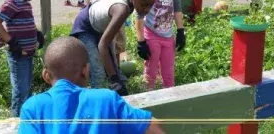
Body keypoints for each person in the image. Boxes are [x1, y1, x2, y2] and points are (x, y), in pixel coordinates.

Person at [18, 36, 165, 134]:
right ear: (86, 70)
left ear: (46, 76)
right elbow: (155, 128)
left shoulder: (33, 108)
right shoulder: (106, 99)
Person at [70, 0, 158, 95]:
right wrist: (114, 79)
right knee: (99, 73)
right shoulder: (121, 9)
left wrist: (141, 42)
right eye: (144, 5)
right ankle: (96, 106)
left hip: (100, 28)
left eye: (151, 5)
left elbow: (139, 15)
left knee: (114, 69)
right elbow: (102, 46)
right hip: (85, 28)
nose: (146, 9)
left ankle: (117, 95)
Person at [0, 0, 45, 118]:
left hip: (27, 55)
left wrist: (36, 33)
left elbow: (25, 22)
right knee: (20, 91)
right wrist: (12, 42)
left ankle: (24, 119)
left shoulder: (24, 0)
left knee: (26, 88)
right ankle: (16, 121)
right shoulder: (12, 2)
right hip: (18, 55)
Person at [135, 0, 186, 91]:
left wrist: (181, 31)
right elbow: (139, 15)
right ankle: (148, 97)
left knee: (168, 71)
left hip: (168, 36)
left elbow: (177, 8)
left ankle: (169, 97)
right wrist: (141, 42)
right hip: (151, 35)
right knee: (150, 71)